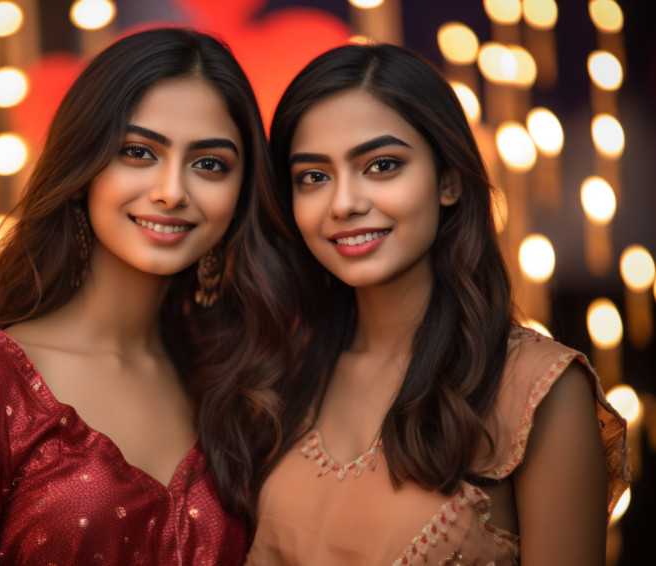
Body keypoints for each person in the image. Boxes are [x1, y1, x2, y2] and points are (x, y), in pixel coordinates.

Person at [0, 27, 288, 565]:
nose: (172, 190)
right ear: (84, 164)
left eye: (209, 164)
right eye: (139, 151)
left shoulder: (237, 380)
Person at [246, 43, 630, 565]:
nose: (344, 203)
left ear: (448, 180)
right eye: (313, 176)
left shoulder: (538, 389)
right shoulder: (274, 372)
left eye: (381, 165)